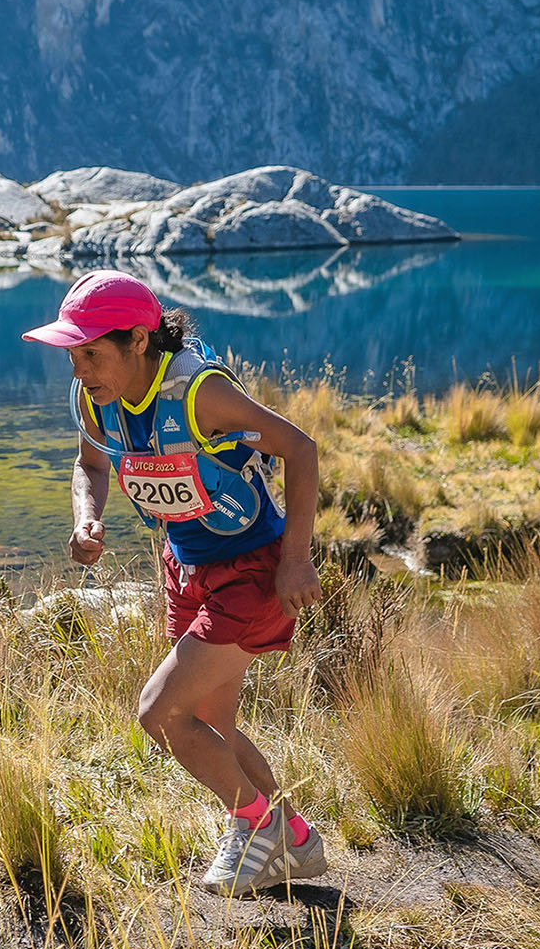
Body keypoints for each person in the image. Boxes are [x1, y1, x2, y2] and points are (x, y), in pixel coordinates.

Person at [24, 270, 329, 896]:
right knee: (211, 721)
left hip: (253, 571)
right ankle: (296, 842)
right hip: (185, 565)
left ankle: (254, 824)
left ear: (139, 340)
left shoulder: (200, 393)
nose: (79, 369)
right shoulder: (96, 398)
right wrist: (87, 516)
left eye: (91, 353)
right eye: (73, 355)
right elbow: (89, 467)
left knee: (160, 712)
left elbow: (300, 448)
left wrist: (297, 559)